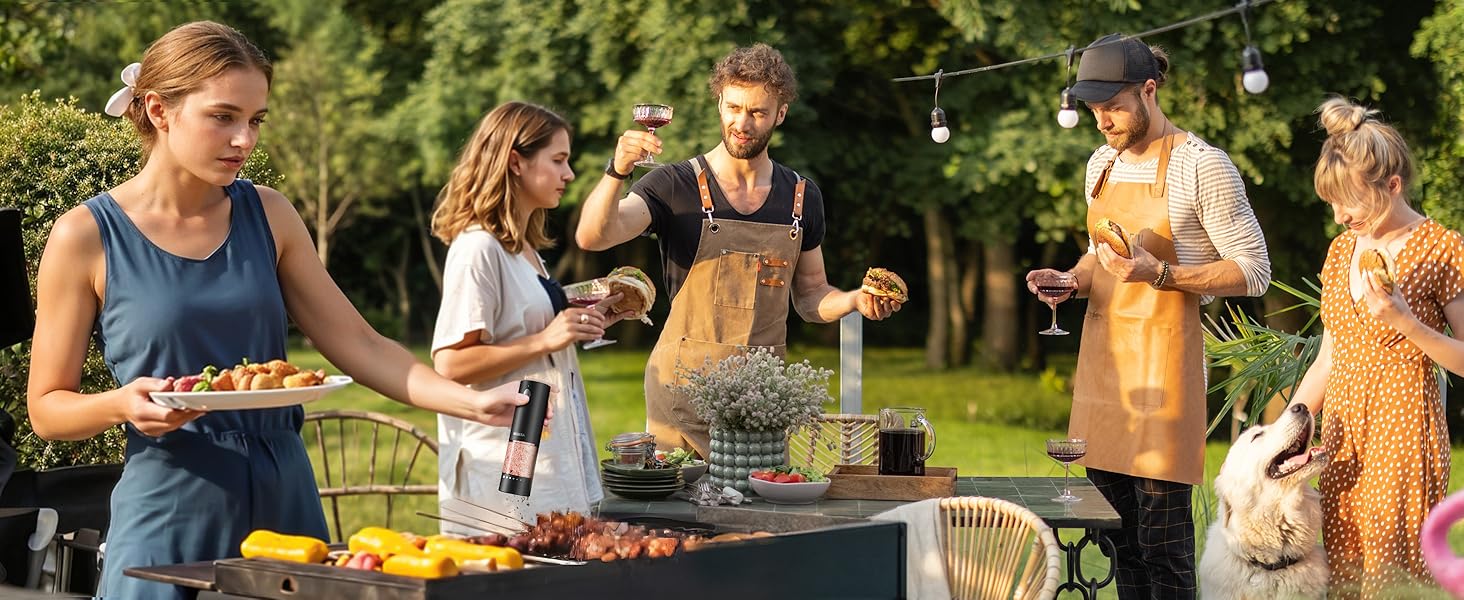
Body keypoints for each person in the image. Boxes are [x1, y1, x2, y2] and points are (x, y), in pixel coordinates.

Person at [25, 22, 536, 599]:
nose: (244, 139)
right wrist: (122, 403)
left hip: (284, 501)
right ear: (158, 110)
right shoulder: (85, 235)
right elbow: (47, 409)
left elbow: (362, 346)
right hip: (168, 500)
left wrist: (471, 400)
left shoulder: (269, 215)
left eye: (256, 120)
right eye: (223, 117)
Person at [1024, 33, 1271, 599]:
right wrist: (1071, 279)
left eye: (1112, 107)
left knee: (1162, 549)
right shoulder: (1101, 164)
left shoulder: (1200, 165)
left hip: (1165, 379)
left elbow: (1253, 269)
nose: (1101, 121)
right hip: (1104, 376)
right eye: (1093, 109)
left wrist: (1160, 275)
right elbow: (1100, 257)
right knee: (1118, 543)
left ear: (1149, 91)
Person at [574, 43, 900, 458]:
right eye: (732, 108)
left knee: (761, 519)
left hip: (762, 404)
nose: (741, 123)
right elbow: (593, 235)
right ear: (719, 104)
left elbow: (812, 296)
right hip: (681, 397)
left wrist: (855, 299)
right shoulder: (674, 185)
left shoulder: (802, 196)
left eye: (757, 112)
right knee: (678, 519)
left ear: (781, 113)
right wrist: (617, 170)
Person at [1290, 97, 1464, 597]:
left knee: (1390, 581)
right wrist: (1287, 430)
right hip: (1343, 438)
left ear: (1393, 186)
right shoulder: (1341, 249)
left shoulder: (1441, 247)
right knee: (1343, 578)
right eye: (1332, 203)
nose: (1341, 215)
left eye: (1350, 201)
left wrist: (1406, 323)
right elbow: (1330, 354)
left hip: (1404, 435)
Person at [430, 101, 626, 526]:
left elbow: (532, 328)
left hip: (542, 444)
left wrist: (582, 319)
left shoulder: (523, 249)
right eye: (558, 160)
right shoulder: (477, 248)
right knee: (511, 571)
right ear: (516, 162)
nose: (569, 174)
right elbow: (450, 363)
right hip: (503, 455)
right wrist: (545, 339)